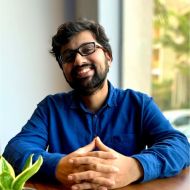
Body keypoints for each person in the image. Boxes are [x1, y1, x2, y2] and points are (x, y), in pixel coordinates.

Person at [3, 19, 190, 190]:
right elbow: (15, 150)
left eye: (88, 49)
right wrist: (57, 166)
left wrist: (136, 167)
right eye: (68, 56)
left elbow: (180, 146)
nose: (78, 60)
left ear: (108, 56)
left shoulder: (138, 104)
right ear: (63, 69)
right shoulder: (50, 108)